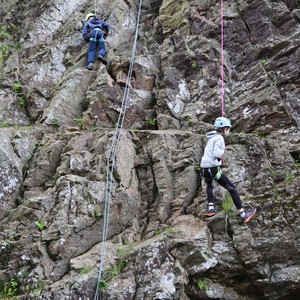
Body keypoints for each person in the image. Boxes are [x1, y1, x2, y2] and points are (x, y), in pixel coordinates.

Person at [200, 117, 256, 223]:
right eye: (228, 129)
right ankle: (243, 214)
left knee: (210, 185)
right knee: (232, 189)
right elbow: (216, 153)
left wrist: (219, 160)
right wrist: (222, 152)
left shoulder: (211, 138)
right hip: (213, 169)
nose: (229, 131)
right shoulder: (220, 138)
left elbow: (211, 154)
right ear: (225, 129)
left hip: (204, 169)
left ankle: (211, 208)